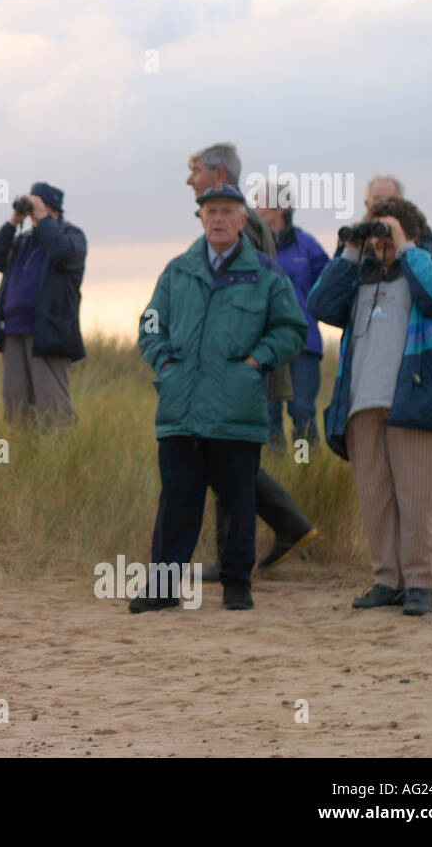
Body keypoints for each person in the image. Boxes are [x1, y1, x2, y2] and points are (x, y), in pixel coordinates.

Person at [134, 183, 307, 612]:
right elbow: (150, 324)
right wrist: (166, 365)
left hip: (237, 407)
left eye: (227, 211)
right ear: (201, 217)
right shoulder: (177, 270)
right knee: (177, 501)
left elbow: (291, 329)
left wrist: (257, 363)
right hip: (181, 408)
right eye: (210, 211)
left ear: (243, 219)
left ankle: (236, 585)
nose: (218, 218)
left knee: (238, 502)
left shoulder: (266, 273)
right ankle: (162, 589)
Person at [307, 197, 432, 616]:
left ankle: (419, 583)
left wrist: (406, 246)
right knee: (375, 497)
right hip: (361, 402)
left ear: (409, 231)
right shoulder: (361, 278)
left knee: (416, 498)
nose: (380, 241)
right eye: (375, 233)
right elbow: (319, 304)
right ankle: (386, 580)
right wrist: (352, 250)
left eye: (385, 232)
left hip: (416, 398)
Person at [187, 143, 318, 576]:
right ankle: (278, 531)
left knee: (232, 459)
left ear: (219, 172)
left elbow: (259, 294)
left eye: (195, 171)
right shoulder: (240, 218)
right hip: (230, 364)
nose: (190, 180)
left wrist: (251, 360)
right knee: (229, 458)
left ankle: (241, 555)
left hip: (243, 365)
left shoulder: (247, 221)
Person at [0, 182, 87, 425]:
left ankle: (58, 458)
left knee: (52, 406)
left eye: (37, 207)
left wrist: (43, 218)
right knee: (15, 404)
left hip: (49, 332)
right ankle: (22, 456)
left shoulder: (71, 235)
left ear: (53, 209)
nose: (32, 215)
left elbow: (64, 254)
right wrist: (13, 221)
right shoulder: (23, 241)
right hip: (13, 331)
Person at [254, 179, 329, 446]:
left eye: (261, 203)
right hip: (265, 343)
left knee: (301, 410)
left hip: (303, 342)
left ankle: (305, 467)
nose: (256, 209)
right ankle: (277, 475)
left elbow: (329, 286)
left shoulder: (307, 245)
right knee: (268, 415)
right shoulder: (251, 246)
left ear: (280, 208)